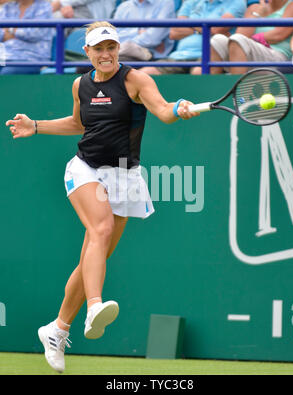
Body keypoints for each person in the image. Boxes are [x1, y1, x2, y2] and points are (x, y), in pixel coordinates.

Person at [6, 21, 200, 373]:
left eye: (111, 47)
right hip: (86, 168)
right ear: (88, 53)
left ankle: (57, 329)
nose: (106, 53)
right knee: (101, 230)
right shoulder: (80, 83)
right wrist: (37, 125)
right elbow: (80, 124)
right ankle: (94, 306)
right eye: (99, 48)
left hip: (125, 173)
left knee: (94, 258)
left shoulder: (135, 80)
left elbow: (162, 110)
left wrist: (179, 107)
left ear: (117, 48)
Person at [140, 0, 246, 75]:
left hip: (209, 57)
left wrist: (189, 24)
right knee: (145, 73)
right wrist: (204, 27)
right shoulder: (190, 2)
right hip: (178, 56)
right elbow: (174, 32)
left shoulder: (237, 2)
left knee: (198, 73)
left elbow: (216, 29)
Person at [209, 0, 293, 75]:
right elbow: (240, 34)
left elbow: (278, 34)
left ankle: (237, 91)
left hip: (278, 56)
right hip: (250, 50)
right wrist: (256, 14)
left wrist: (252, 40)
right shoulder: (254, 8)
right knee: (217, 40)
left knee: (239, 40)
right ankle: (214, 90)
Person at [0, 0, 52, 74]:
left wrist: (10, 29)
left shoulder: (44, 6)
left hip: (32, 58)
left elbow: (34, 33)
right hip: (4, 56)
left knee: (7, 73)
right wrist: (18, 32)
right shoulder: (8, 7)